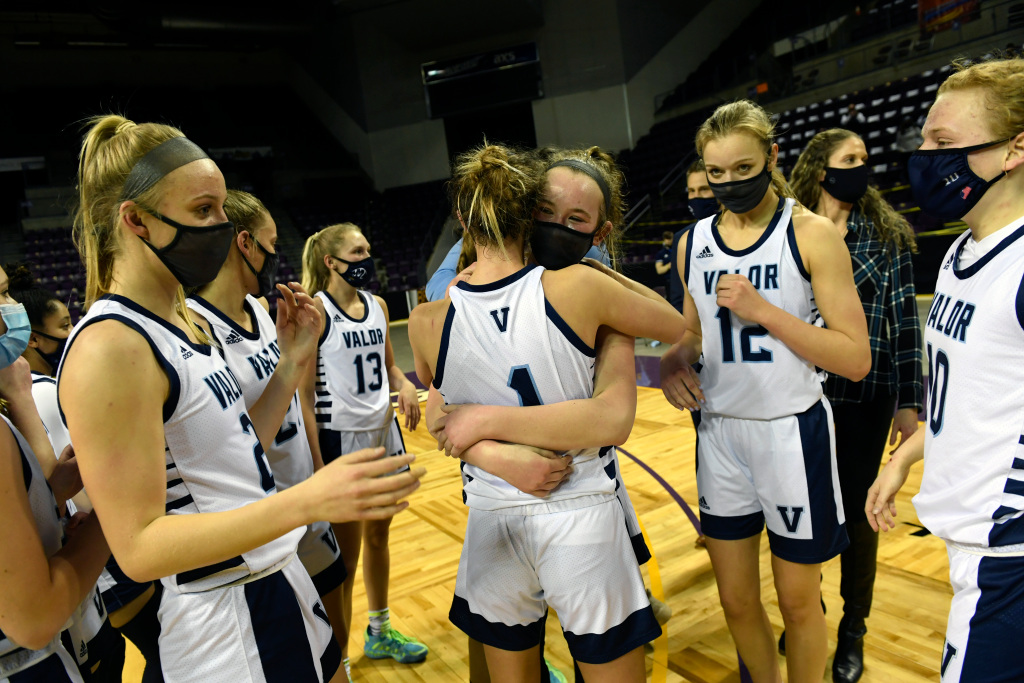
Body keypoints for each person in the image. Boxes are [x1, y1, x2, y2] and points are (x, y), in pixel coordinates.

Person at [58, 115, 424, 683]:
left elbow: (232, 447)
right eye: (204, 211)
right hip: (228, 620)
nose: (224, 228)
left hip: (273, 586)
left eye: (223, 210)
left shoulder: (175, 319)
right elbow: (138, 547)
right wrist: (305, 500)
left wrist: (294, 362)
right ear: (136, 221)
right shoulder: (110, 346)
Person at [409, 142, 687, 683]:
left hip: (491, 513)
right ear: (529, 213)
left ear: (463, 219)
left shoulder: (427, 315)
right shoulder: (581, 285)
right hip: (578, 504)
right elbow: (672, 324)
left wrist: (487, 440)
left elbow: (444, 413)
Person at [659, 100, 870, 683]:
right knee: (735, 601)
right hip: (720, 435)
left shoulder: (813, 234)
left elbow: (855, 358)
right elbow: (693, 333)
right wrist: (674, 361)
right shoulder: (691, 243)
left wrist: (765, 313)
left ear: (772, 158)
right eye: (716, 173)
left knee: (799, 602)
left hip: (790, 435)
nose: (729, 184)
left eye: (743, 169)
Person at [866, 57, 1024, 683]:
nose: (923, 156)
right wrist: (906, 457)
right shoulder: (963, 248)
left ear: (1014, 149)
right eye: (925, 140)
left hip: (1008, 552)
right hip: (972, 543)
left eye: (943, 142)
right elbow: (981, 396)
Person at [184, 191, 349, 669]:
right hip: (264, 515)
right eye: (272, 242)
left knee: (334, 626)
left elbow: (294, 397)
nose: (277, 253)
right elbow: (233, 443)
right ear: (246, 243)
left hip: (306, 491)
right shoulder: (199, 330)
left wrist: (318, 468)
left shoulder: (260, 309)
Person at [788, 128, 922, 683]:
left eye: (866, 158)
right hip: (802, 392)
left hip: (865, 394)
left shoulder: (884, 234)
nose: (862, 166)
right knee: (811, 509)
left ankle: (853, 630)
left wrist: (909, 402)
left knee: (859, 515)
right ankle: (809, 616)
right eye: (850, 159)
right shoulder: (790, 232)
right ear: (821, 169)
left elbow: (905, 322)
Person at [299, 222, 427, 680]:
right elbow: (304, 396)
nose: (366, 258)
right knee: (344, 560)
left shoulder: (377, 305)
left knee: (379, 537)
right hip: (341, 440)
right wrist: (317, 464)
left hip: (383, 432)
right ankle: (341, 660)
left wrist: (406, 386)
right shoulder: (317, 310)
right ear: (331, 262)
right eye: (357, 251)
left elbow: (390, 367)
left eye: (369, 249)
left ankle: (379, 631)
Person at [8, 265, 128, 683]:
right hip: (33, 655)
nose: (12, 311)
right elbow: (33, 618)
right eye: (3, 296)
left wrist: (53, 493)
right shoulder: (35, 391)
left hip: (68, 620)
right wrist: (113, 517)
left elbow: (35, 495)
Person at [670, 158, 719, 313]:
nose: (696, 196)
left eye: (704, 189)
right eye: (691, 191)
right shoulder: (683, 238)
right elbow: (678, 300)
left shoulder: (743, 230)